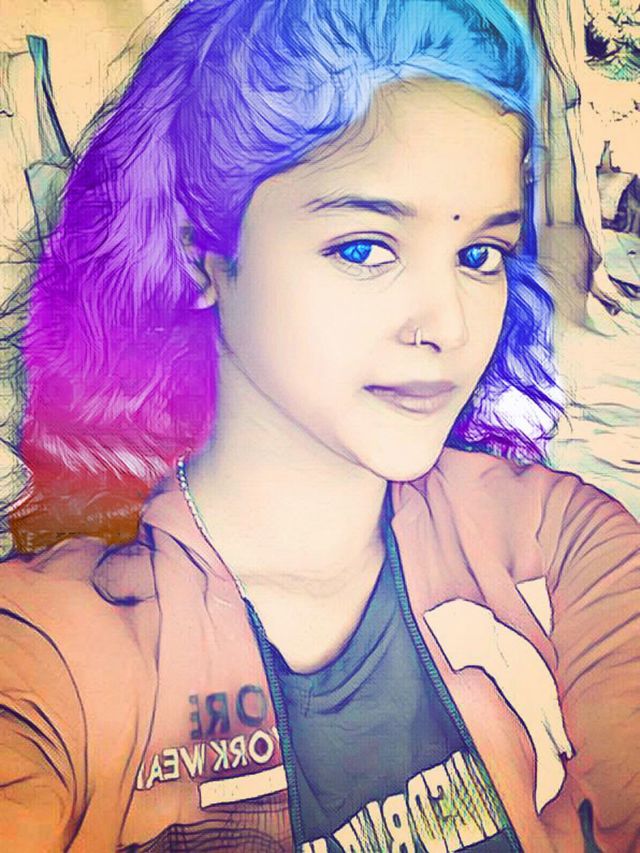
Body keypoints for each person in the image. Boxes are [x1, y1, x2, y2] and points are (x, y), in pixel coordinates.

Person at [1, 0, 638, 850]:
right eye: (365, 248)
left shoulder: (558, 546)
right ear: (202, 252)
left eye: (479, 255)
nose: (447, 323)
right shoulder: (54, 659)